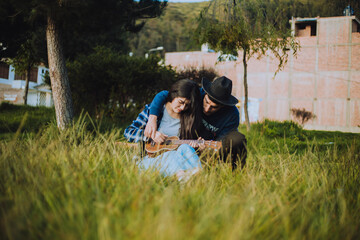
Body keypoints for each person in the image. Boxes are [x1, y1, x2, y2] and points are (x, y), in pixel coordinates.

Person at [145, 76, 247, 170]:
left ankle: (235, 173)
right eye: (206, 102)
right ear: (205, 94)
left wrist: (207, 150)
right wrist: (152, 118)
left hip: (209, 146)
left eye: (214, 107)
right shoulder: (198, 94)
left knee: (237, 138)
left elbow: (221, 142)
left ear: (223, 106)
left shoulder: (232, 114)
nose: (207, 109)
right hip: (187, 141)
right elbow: (165, 94)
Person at [124, 79, 204, 180]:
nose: (183, 107)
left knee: (185, 147)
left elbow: (182, 150)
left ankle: (199, 174)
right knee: (171, 155)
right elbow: (128, 132)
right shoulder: (154, 110)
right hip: (148, 159)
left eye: (187, 105)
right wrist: (150, 135)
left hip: (175, 159)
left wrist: (196, 147)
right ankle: (183, 177)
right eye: (181, 102)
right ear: (174, 95)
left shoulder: (188, 118)